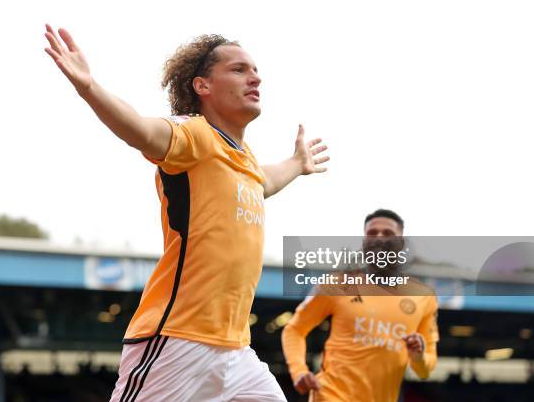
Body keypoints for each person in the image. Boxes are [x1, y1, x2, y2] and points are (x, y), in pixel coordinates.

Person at [44, 25, 329, 401]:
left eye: (255, 69)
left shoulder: (243, 160)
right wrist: (89, 88)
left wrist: (297, 163)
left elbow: (265, 182)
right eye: (239, 69)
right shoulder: (194, 135)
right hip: (177, 339)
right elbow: (141, 131)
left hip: (235, 349)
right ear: (202, 86)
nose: (254, 76)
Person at [281, 209, 439, 402]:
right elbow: (294, 329)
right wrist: (299, 371)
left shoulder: (423, 296)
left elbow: (424, 371)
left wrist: (418, 356)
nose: (379, 238)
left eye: (388, 233)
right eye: (372, 233)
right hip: (331, 395)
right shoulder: (337, 284)